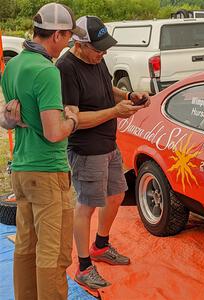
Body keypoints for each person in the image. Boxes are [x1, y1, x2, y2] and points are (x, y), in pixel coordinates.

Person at [56, 15, 151, 290]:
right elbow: (72, 119)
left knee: (117, 194)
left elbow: (106, 87)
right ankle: (83, 266)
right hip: (86, 150)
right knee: (86, 206)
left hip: (109, 143)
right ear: (79, 43)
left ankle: (100, 246)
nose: (103, 53)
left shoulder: (96, 59)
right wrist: (115, 112)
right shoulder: (65, 68)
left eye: (105, 48)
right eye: (98, 49)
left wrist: (128, 96)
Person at [0, 3, 85, 300]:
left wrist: (11, 120)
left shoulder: (13, 65)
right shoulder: (46, 71)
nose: (68, 43)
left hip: (22, 170)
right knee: (53, 255)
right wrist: (72, 119)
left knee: (25, 246)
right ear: (57, 35)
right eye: (67, 37)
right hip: (48, 172)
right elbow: (53, 133)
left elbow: (6, 119)